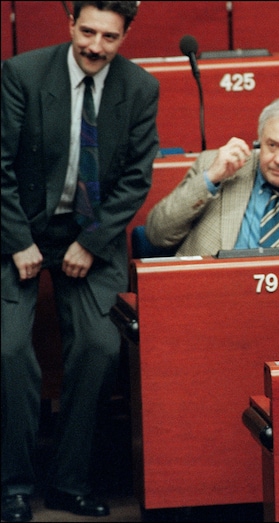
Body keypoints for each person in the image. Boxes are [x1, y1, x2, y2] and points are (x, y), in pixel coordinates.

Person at [1, 2, 159, 521]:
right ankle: (13, 487)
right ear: (70, 25)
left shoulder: (139, 88)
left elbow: (136, 177)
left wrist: (91, 241)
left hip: (93, 232)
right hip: (19, 226)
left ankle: (70, 482)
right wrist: (18, 239)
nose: (94, 46)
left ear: (125, 34)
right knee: (8, 351)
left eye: (109, 37)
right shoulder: (23, 73)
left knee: (99, 346)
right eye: (87, 31)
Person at [145, 96, 279, 255]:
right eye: (272, 145)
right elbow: (157, 234)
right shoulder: (216, 169)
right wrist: (210, 179)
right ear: (258, 141)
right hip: (211, 299)